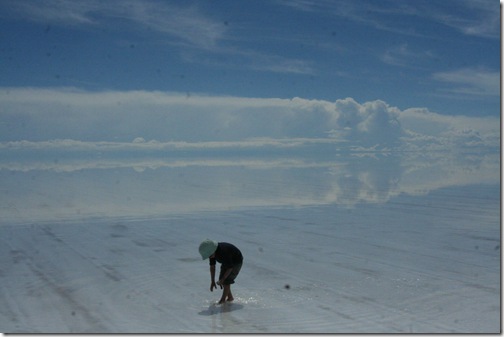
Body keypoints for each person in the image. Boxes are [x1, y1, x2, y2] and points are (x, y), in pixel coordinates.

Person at [199, 239, 243, 304]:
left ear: (213, 250)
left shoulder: (223, 252)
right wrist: (212, 281)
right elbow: (212, 267)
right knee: (221, 279)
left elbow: (230, 268)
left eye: (210, 255)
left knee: (226, 281)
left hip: (236, 262)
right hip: (226, 262)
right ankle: (230, 297)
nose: (209, 257)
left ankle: (222, 300)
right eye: (208, 256)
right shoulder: (212, 254)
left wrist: (223, 279)